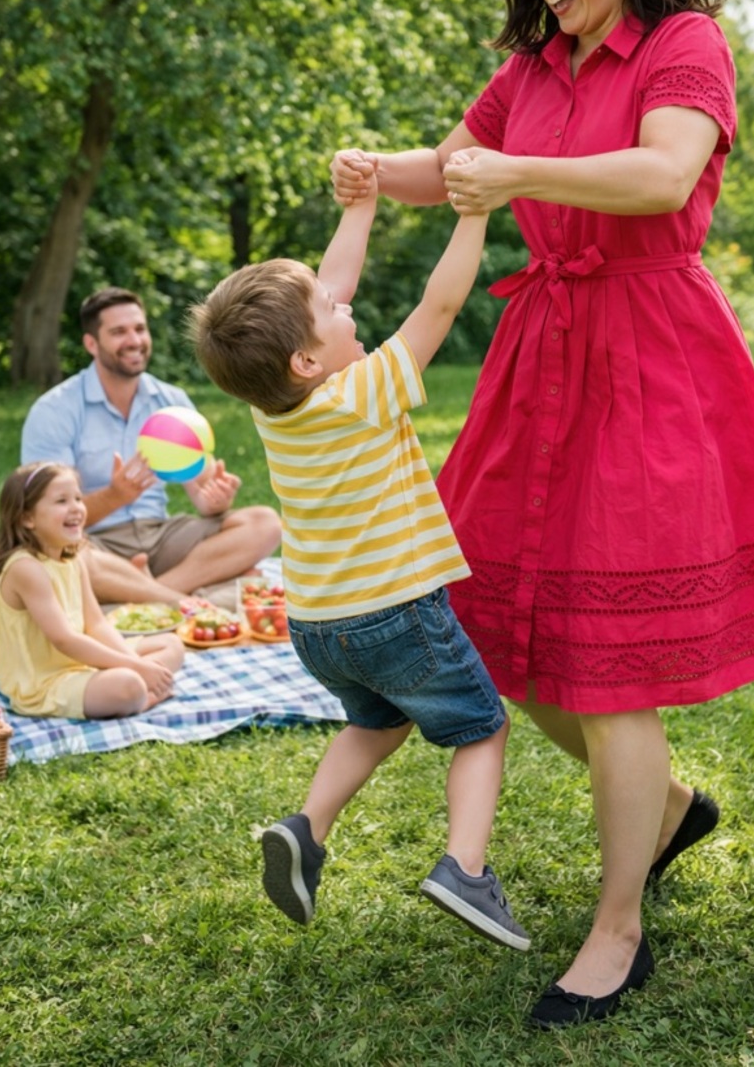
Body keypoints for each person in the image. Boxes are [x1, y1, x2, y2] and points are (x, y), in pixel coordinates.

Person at [330, 0, 754, 1029]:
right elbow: (457, 166)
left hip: (649, 356)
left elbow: (665, 177)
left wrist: (512, 170)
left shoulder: (683, 45)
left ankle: (618, 926)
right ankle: (663, 807)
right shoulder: (532, 63)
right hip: (540, 357)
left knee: (609, 662)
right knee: (477, 617)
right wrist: (377, 170)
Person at [187, 167, 530, 953]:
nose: (347, 305)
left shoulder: (273, 403)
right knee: (480, 727)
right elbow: (438, 306)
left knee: (375, 720)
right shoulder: (364, 389)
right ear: (309, 359)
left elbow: (325, 290)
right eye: (332, 312)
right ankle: (464, 867)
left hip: (318, 626)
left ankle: (306, 829)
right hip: (397, 612)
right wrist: (472, 217)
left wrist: (362, 206)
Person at [21, 287, 281, 607]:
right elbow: (46, 518)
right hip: (93, 542)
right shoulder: (54, 410)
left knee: (264, 524)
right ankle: (193, 596)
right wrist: (116, 495)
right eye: (119, 332)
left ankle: (151, 594)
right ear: (91, 343)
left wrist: (215, 501)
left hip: (159, 536)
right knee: (52, 558)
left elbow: (202, 496)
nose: (134, 340)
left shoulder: (172, 402)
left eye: (140, 329)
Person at [0, 462, 185, 718]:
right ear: (27, 518)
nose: (77, 509)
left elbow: (97, 625)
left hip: (82, 664)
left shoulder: (72, 559)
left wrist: (134, 663)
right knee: (129, 685)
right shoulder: (27, 569)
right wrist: (136, 670)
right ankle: (143, 697)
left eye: (78, 498)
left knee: (172, 644)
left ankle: (139, 683)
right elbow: (65, 639)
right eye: (61, 501)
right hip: (46, 683)